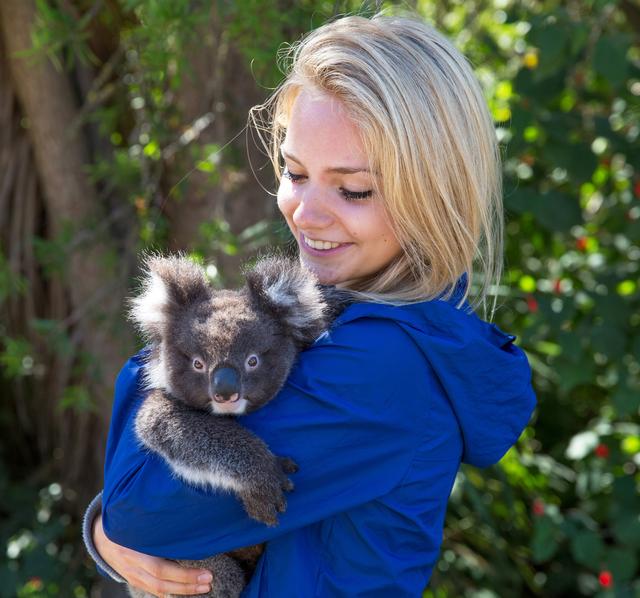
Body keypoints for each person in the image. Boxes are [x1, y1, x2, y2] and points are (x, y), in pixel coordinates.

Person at [83, 12, 537, 597]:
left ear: (435, 193)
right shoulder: (342, 320)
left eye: (353, 190)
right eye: (295, 174)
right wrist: (109, 534)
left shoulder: (380, 364)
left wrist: (110, 525)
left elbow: (142, 510)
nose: (306, 213)